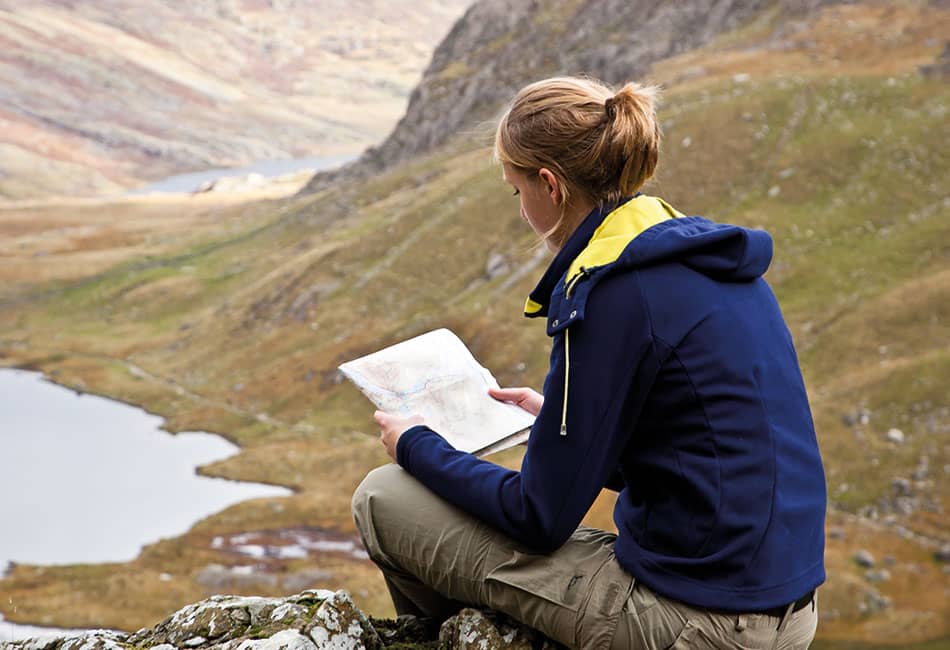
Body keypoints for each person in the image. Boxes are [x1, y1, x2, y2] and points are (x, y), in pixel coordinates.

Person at [352, 76, 826, 650]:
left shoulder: (609, 292)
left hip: (697, 623)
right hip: (787, 613)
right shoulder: (707, 260)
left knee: (382, 498)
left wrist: (416, 444)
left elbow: (537, 517)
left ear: (549, 185)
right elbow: (701, 452)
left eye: (515, 190)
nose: (521, 211)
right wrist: (562, 419)